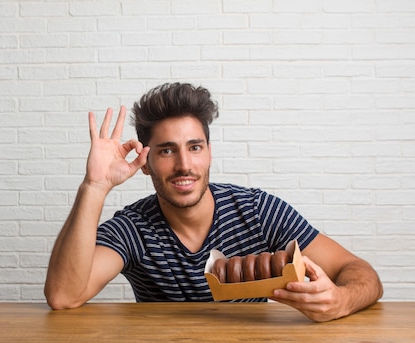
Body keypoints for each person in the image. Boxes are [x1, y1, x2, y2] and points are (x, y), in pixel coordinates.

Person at [45, 82, 383, 322]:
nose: (184, 165)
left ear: (208, 153)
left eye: (195, 147)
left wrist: (341, 300)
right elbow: (64, 296)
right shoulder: (134, 229)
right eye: (166, 150)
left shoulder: (257, 211)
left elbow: (361, 274)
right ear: (145, 163)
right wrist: (94, 186)